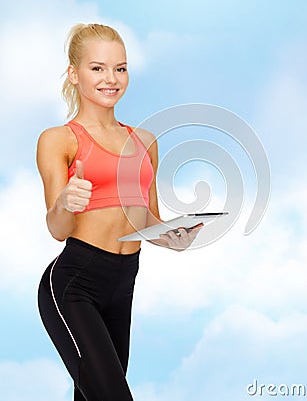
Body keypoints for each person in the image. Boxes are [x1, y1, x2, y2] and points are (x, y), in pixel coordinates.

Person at [36, 23, 203, 401]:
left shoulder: (144, 142)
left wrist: (175, 238)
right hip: (74, 284)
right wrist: (65, 202)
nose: (111, 79)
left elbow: (148, 221)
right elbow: (57, 229)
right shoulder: (58, 139)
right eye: (97, 68)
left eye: (120, 68)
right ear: (74, 74)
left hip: (123, 283)